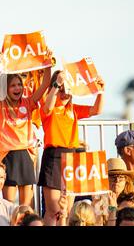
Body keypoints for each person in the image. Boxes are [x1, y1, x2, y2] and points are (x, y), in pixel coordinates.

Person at [38, 70, 105, 225]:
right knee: (54, 210)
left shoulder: (73, 109)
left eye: (68, 90)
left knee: (67, 211)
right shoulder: (48, 105)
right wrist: (57, 84)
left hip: (72, 157)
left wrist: (101, 91)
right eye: (62, 89)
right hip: (54, 155)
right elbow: (47, 107)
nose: (65, 93)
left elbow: (96, 110)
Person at [0, 50, 52, 206]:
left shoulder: (28, 102)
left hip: (26, 154)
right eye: (13, 86)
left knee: (26, 206)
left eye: (19, 85)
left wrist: (48, 64)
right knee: (9, 204)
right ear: (6, 88)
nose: (17, 88)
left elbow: (45, 85)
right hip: (8, 156)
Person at [92, 157, 134, 226]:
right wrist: (97, 208)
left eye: (121, 177)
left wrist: (113, 209)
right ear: (104, 180)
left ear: (126, 181)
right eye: (112, 176)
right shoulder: (98, 199)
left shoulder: (131, 200)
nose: (117, 180)